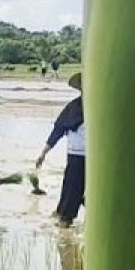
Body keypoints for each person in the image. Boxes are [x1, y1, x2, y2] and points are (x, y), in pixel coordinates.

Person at [35, 72, 85, 226]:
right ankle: (65, 218)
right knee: (72, 186)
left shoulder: (104, 107)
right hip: (76, 154)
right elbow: (58, 130)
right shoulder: (73, 107)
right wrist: (44, 153)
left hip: (99, 156)